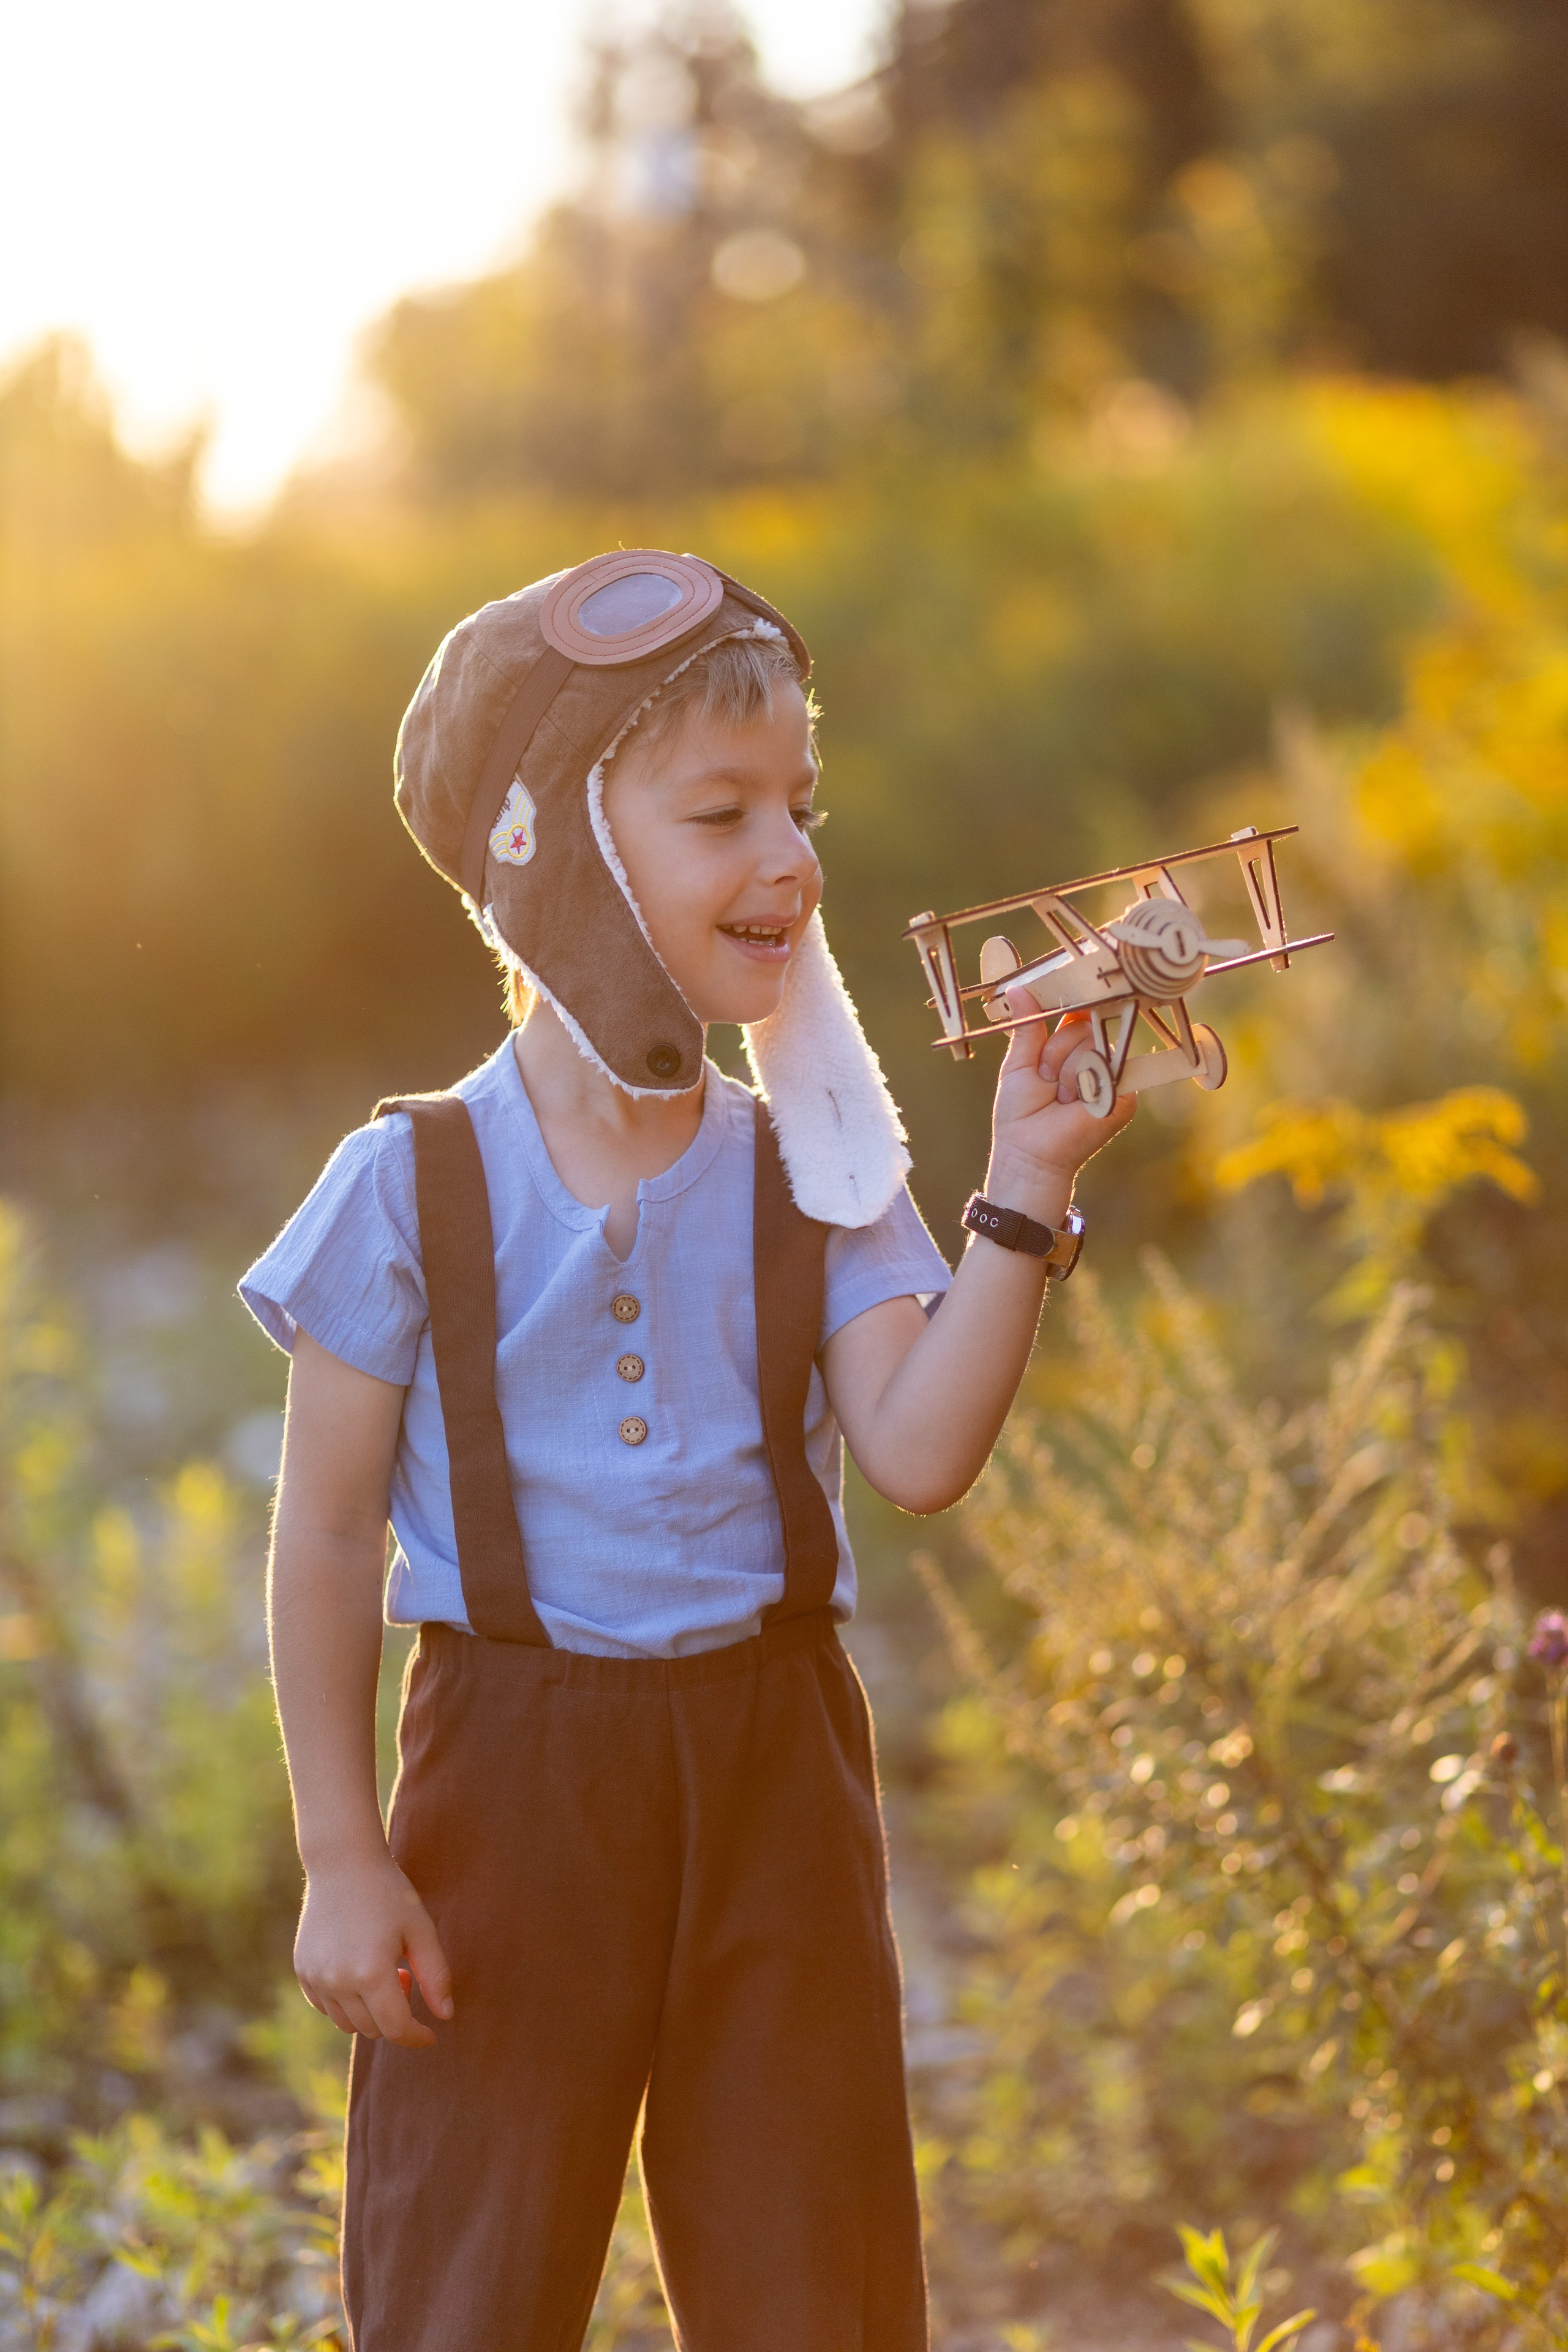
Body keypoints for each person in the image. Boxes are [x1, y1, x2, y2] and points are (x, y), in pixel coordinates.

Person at [240, 550, 1134, 2352]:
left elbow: (919, 1450)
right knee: (465, 2277)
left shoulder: (816, 1168)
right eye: (721, 812)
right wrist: (344, 1853)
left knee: (814, 2273)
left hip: (772, 1767)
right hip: (508, 1775)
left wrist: (1022, 1189)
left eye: (801, 806)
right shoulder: (410, 1184)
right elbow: (327, 1539)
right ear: (551, 855)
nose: (788, 857)